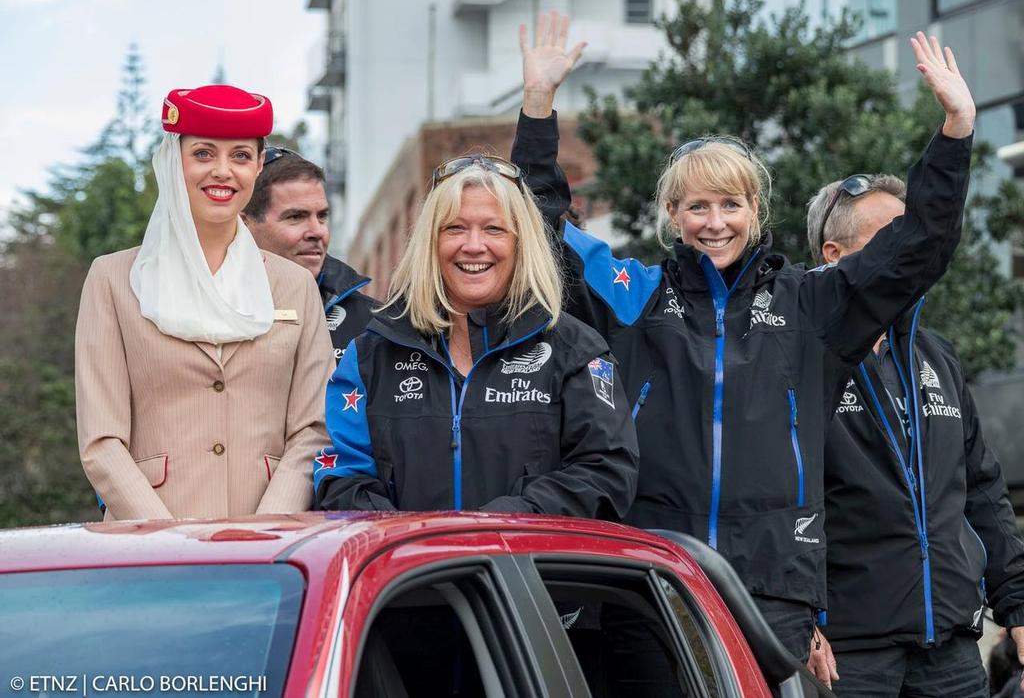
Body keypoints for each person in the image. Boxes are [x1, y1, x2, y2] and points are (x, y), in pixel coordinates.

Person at [512, 12, 974, 663]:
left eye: (731, 204)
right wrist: (537, 110)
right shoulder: (635, 292)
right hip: (651, 575)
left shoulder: (811, 302)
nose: (715, 221)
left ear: (757, 210)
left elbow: (918, 246)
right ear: (672, 215)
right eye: (697, 206)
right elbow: (540, 232)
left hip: (771, 587)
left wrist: (954, 132)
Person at [313, 154, 639, 517]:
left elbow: (606, 473)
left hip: (530, 572)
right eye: (454, 228)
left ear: (521, 243)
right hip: (407, 570)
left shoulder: (576, 351)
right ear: (430, 243)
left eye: (494, 229)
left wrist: (494, 527)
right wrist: (411, 541)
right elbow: (340, 475)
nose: (473, 245)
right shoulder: (372, 353)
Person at [805, 171, 1024, 696]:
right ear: (834, 254)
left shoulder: (937, 354)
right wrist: (800, 618)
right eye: (892, 237)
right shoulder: (797, 354)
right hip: (847, 655)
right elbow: (774, 500)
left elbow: (983, 490)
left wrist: (1017, 604)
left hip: (950, 648)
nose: (912, 249)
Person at [75, 85, 334, 520]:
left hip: (267, 543)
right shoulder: (112, 280)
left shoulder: (295, 286)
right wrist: (167, 540)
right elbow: (101, 441)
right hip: (149, 544)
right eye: (203, 154)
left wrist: (267, 529)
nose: (222, 171)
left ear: (256, 167)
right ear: (173, 162)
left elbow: (313, 429)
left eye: (240, 156)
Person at [241, 149, 376, 358]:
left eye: (322, 217)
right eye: (296, 217)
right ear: (245, 224)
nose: (318, 232)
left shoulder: (374, 328)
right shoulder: (200, 305)